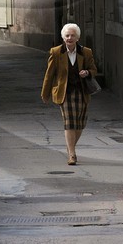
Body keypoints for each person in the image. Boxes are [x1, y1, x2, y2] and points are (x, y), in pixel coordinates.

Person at [41, 22, 98, 165]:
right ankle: (72, 154)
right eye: (67, 35)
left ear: (77, 37)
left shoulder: (86, 52)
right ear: (63, 37)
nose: (70, 38)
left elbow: (93, 69)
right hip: (64, 92)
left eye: (72, 35)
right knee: (69, 123)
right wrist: (45, 94)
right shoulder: (56, 52)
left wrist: (87, 72)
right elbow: (49, 75)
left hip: (81, 91)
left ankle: (70, 146)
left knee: (80, 124)